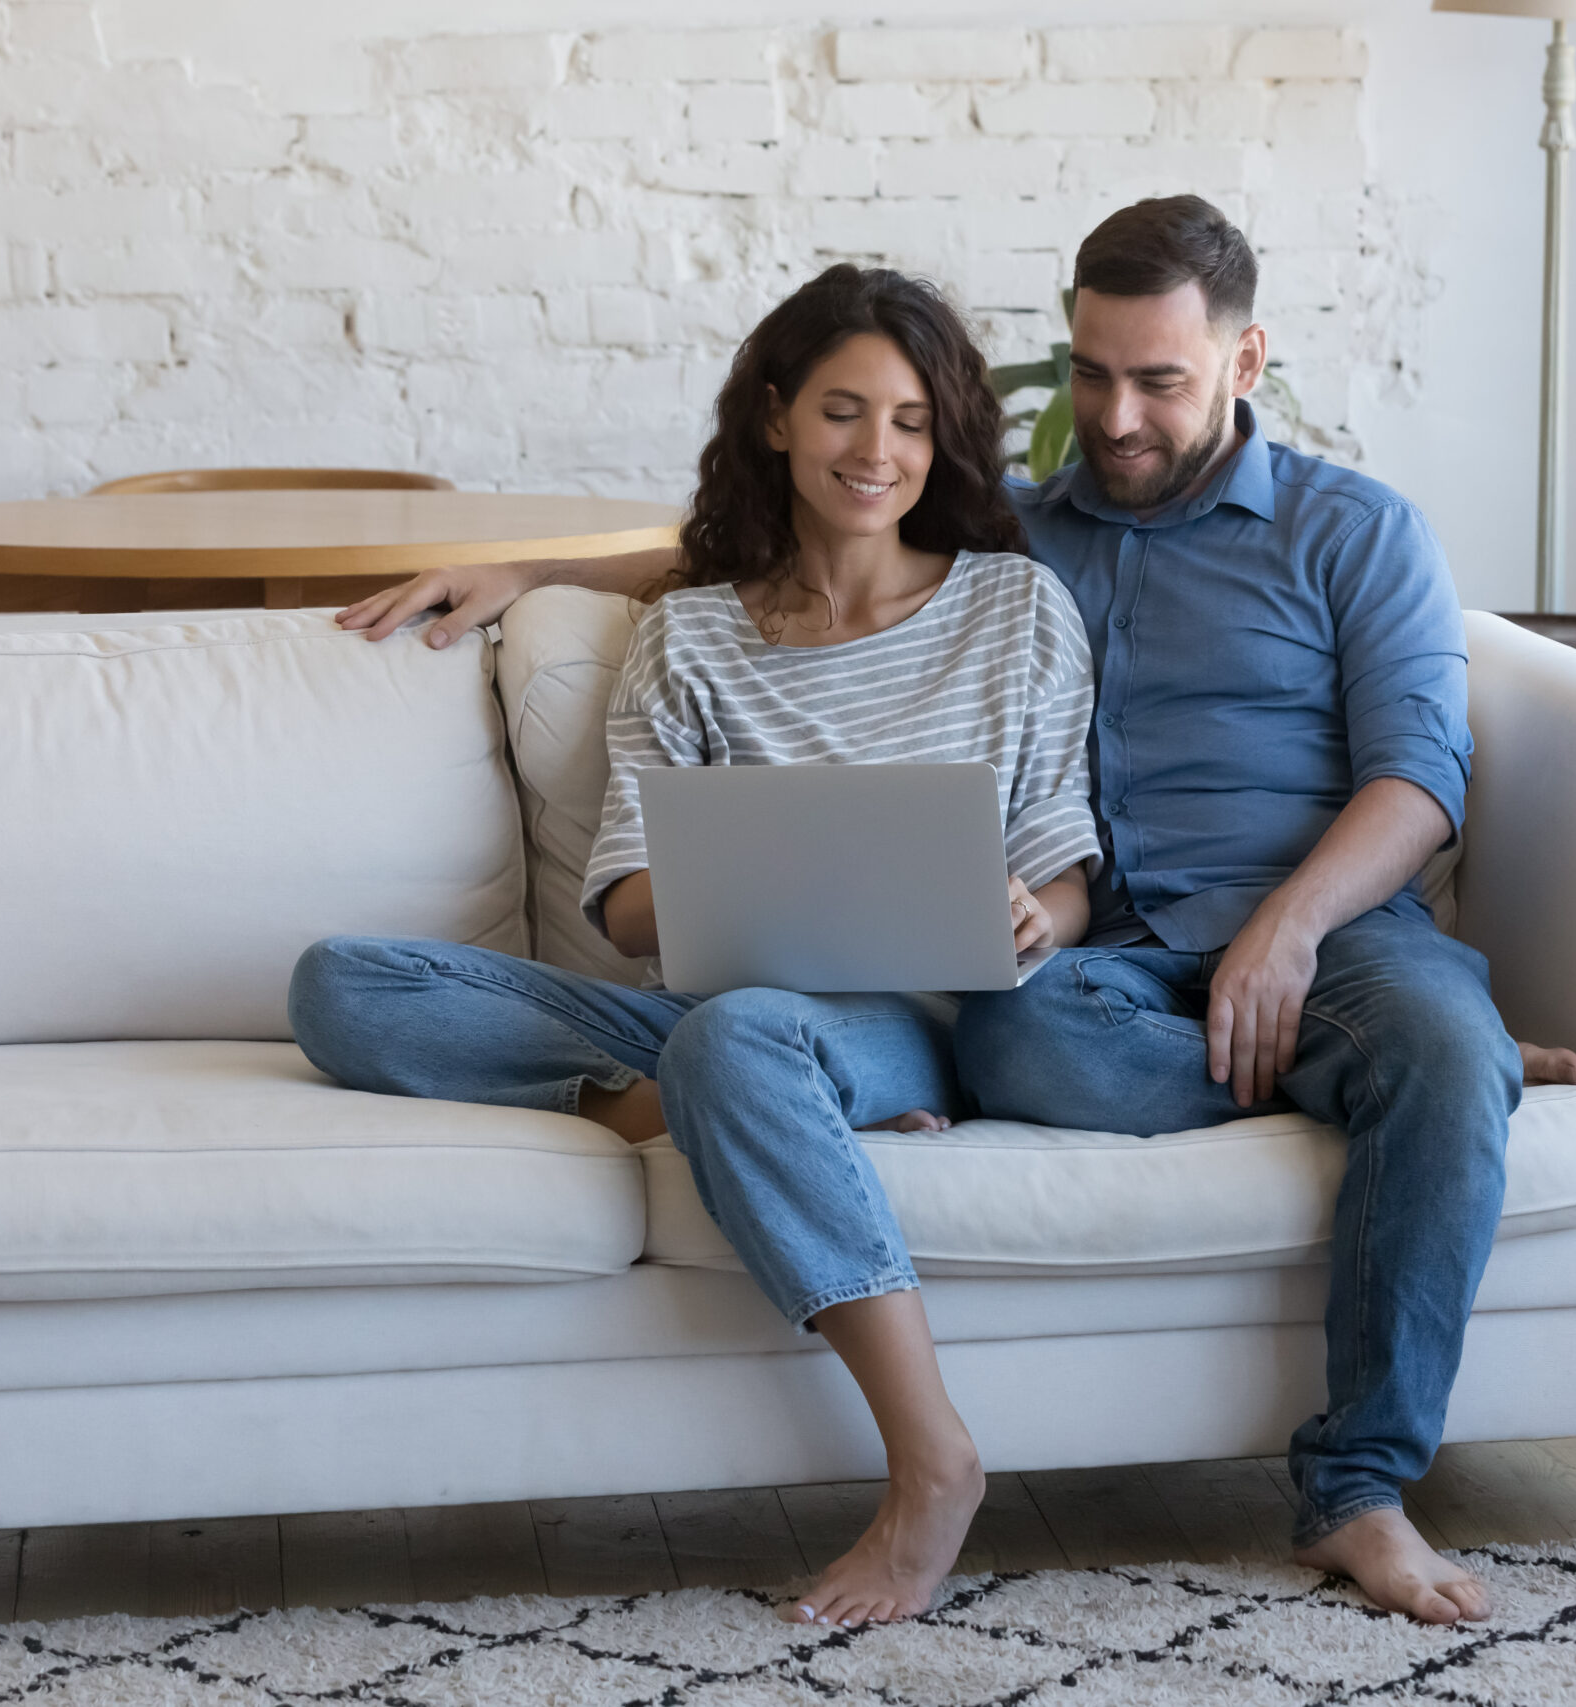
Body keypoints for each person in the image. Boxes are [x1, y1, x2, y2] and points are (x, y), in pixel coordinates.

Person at [331, 200, 1576, 1629]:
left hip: (1323, 929)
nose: (1113, 417)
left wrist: (1290, 930)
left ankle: (1362, 1473)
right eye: (1093, 373)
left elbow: (1423, 775)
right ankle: (694, 1087)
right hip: (1098, 980)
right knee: (1004, 1044)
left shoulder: (1348, 533)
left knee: (1419, 1042)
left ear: (1247, 362)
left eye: (1158, 381)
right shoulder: (1027, 536)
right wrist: (535, 573)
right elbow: (787, 537)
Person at [290, 263, 1099, 1628]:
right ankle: (692, 1109)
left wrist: (1035, 913)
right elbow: (621, 903)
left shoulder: (1015, 611)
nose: (877, 452)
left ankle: (932, 1461)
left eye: (908, 422)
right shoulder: (692, 635)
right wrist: (751, 870)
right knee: (346, 986)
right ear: (777, 417)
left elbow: (1066, 868)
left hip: (906, 1019)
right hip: (711, 1011)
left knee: (746, 1035)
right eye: (845, 412)